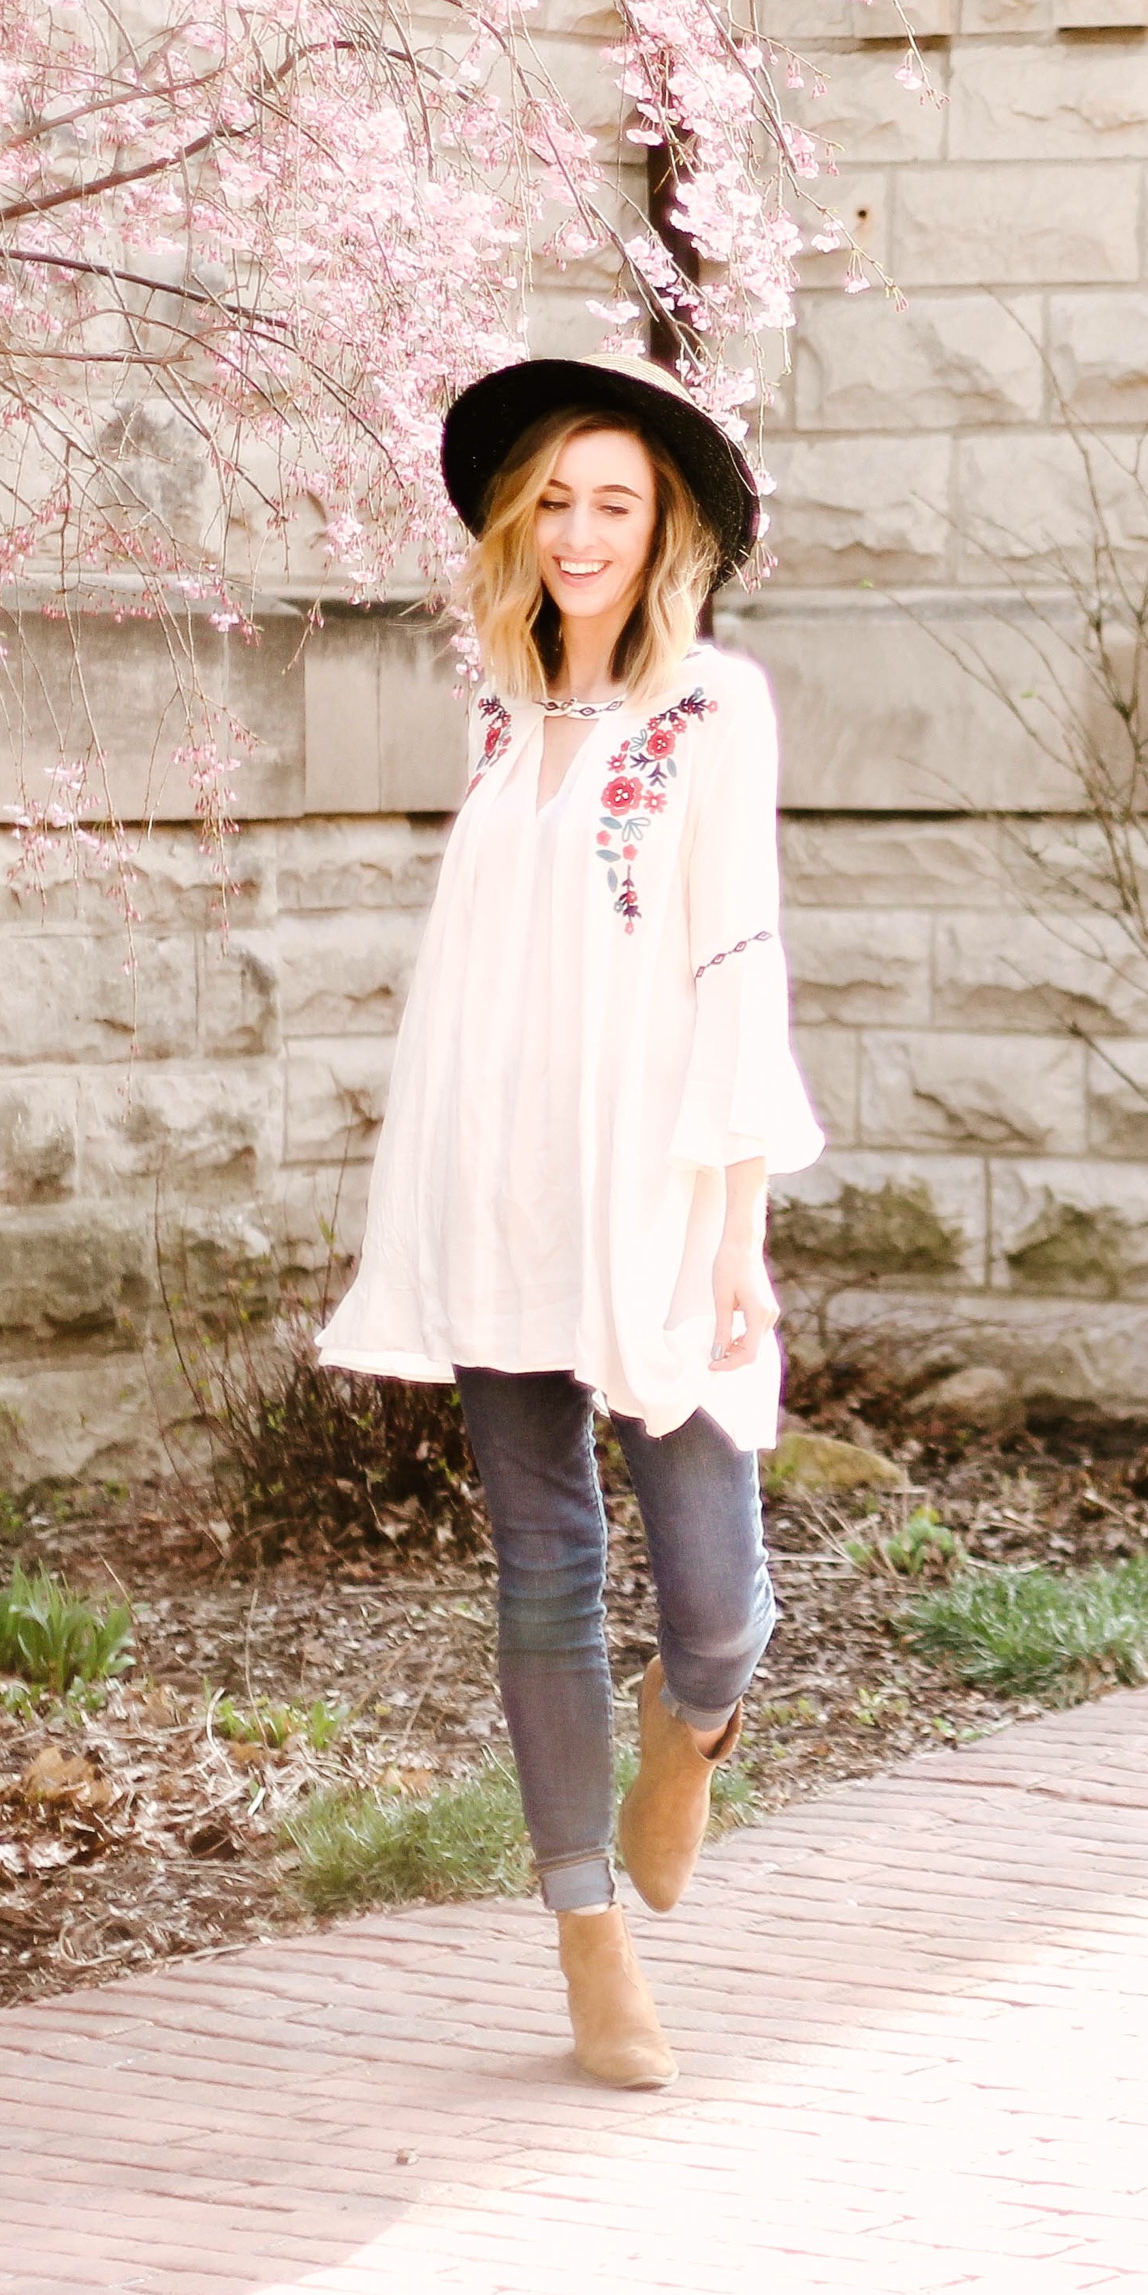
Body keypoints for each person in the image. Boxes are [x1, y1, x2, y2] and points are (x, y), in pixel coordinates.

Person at [316, 349, 820, 2090]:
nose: (583, 530)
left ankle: (695, 1729)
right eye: (557, 500)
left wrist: (739, 1228)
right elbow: (475, 974)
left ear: (664, 524)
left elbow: (736, 966)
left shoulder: (715, 709)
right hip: (493, 1182)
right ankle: (590, 1939)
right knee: (540, 1569)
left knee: (714, 1597)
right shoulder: (493, 712)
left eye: (617, 502)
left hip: (656, 1187)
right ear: (517, 525)